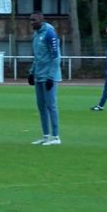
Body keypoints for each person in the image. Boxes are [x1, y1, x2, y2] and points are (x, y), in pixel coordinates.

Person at [28, 12, 62, 145]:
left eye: (34, 20)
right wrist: (32, 72)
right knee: (41, 107)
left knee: (51, 106)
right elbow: (37, 56)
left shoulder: (50, 34)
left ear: (41, 20)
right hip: (39, 76)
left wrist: (51, 76)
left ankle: (56, 137)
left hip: (49, 77)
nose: (31, 22)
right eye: (30, 20)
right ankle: (46, 135)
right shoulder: (36, 35)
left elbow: (56, 57)